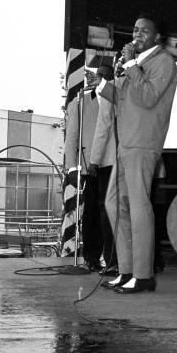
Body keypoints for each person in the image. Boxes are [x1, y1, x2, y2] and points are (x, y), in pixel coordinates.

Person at [95, 13, 177, 293]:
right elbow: (124, 99)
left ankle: (143, 275)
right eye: (135, 30)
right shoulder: (138, 64)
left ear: (157, 37)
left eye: (144, 31)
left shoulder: (163, 62)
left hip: (143, 142)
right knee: (113, 203)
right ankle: (127, 269)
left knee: (139, 205)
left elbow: (147, 97)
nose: (137, 35)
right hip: (125, 143)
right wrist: (103, 85)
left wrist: (130, 65)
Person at [63, 57, 104, 271]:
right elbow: (72, 138)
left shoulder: (117, 101)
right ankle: (92, 257)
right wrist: (72, 167)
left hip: (115, 164)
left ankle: (115, 261)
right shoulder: (79, 102)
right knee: (92, 214)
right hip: (92, 166)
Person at [85, 64, 119, 276]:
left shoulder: (110, 93)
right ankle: (115, 260)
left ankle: (113, 261)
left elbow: (103, 128)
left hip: (108, 162)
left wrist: (94, 160)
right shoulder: (127, 92)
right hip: (125, 159)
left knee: (108, 212)